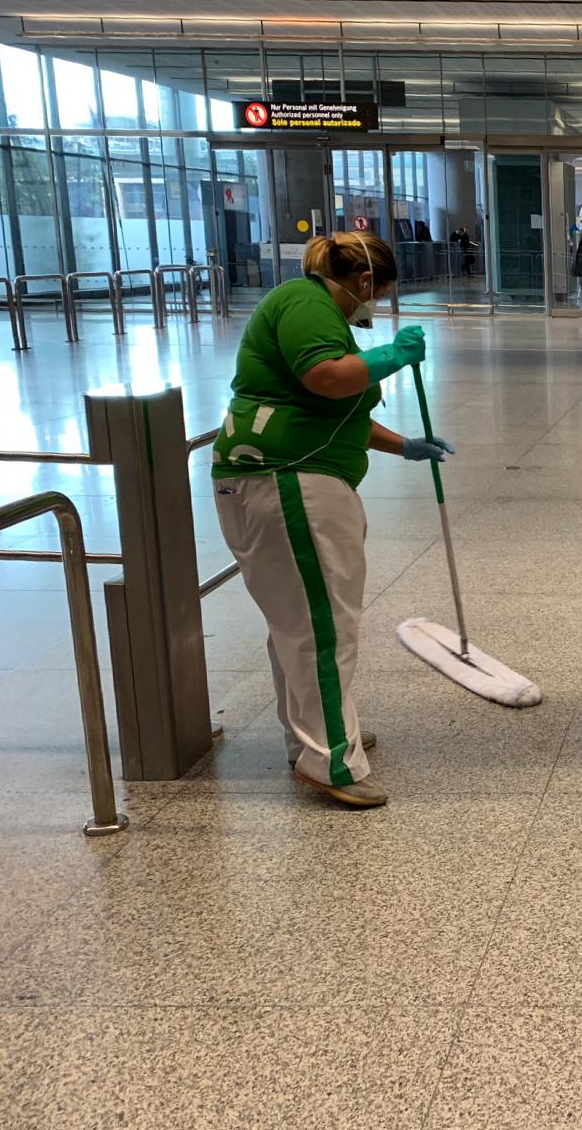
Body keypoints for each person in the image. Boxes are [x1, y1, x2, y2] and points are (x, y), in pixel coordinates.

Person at [210, 231, 455, 808]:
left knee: (298, 621)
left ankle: (317, 738)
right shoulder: (305, 302)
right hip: (291, 482)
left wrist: (405, 445)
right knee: (322, 626)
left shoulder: (313, 308)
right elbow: (327, 377)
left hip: (283, 476)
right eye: (380, 295)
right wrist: (391, 357)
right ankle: (331, 760)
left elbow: (338, 411)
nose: (376, 309)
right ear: (365, 281)